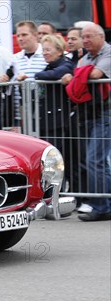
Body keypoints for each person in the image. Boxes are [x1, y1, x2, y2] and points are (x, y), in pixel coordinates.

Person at [61, 23, 111, 221]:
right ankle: (105, 204)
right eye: (84, 37)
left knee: (94, 160)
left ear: (101, 36)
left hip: (106, 114)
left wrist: (77, 76)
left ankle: (100, 206)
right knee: (99, 163)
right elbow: (81, 75)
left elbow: (95, 75)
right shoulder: (85, 58)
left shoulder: (108, 53)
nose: (86, 40)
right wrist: (79, 75)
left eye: (89, 36)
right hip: (90, 113)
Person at [34, 34, 74, 172]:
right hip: (47, 121)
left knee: (59, 160)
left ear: (59, 50)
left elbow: (53, 75)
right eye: (43, 50)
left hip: (59, 122)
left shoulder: (66, 64)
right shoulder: (49, 67)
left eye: (48, 50)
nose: (44, 53)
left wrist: (37, 75)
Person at [0, 21, 48, 129]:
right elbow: (8, 87)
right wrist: (2, 80)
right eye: (18, 35)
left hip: (43, 114)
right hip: (19, 116)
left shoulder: (46, 54)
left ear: (35, 35)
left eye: (24, 35)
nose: (20, 38)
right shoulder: (14, 58)